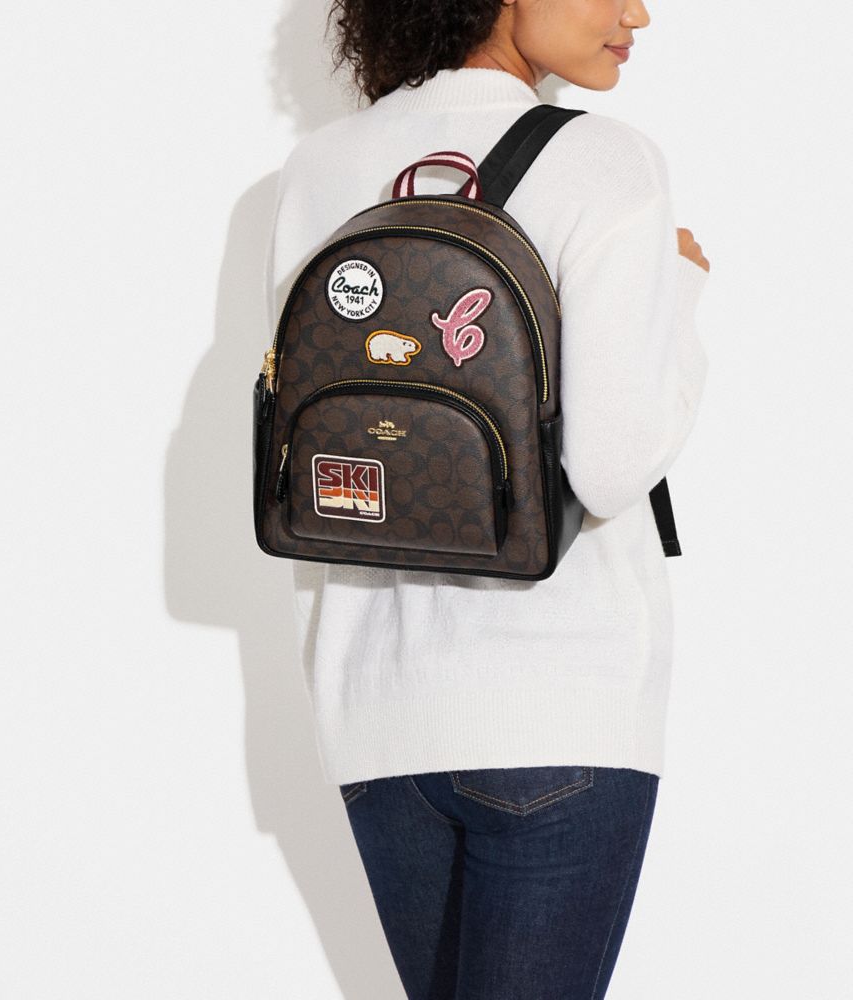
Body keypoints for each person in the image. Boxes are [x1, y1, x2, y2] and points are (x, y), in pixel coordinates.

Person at [265, 1, 710, 996]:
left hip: (375, 720)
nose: (637, 12)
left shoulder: (319, 165)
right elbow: (610, 466)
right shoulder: (606, 162)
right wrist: (676, 296)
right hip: (557, 706)